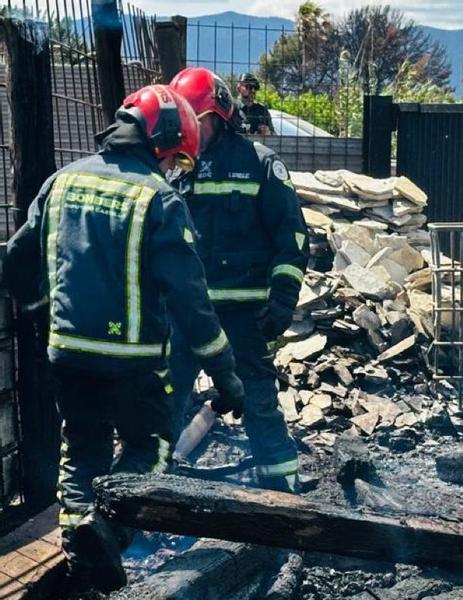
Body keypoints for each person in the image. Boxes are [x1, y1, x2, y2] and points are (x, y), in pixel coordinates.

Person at [1, 85, 245, 593]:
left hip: (67, 352)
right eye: (176, 156)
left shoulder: (59, 182)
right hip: (133, 362)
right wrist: (225, 375)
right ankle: (107, 533)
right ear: (162, 139)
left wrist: (42, 312)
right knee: (149, 448)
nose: (175, 166)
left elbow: (18, 262)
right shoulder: (158, 198)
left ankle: (77, 558)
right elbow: (190, 301)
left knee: (81, 450)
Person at [168, 67, 307, 492]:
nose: (190, 130)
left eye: (198, 119)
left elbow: (293, 236)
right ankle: (146, 496)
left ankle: (283, 499)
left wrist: (283, 300)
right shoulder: (173, 170)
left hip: (245, 317)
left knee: (258, 401)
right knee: (163, 402)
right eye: (183, 121)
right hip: (187, 315)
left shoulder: (260, 164)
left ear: (221, 115)